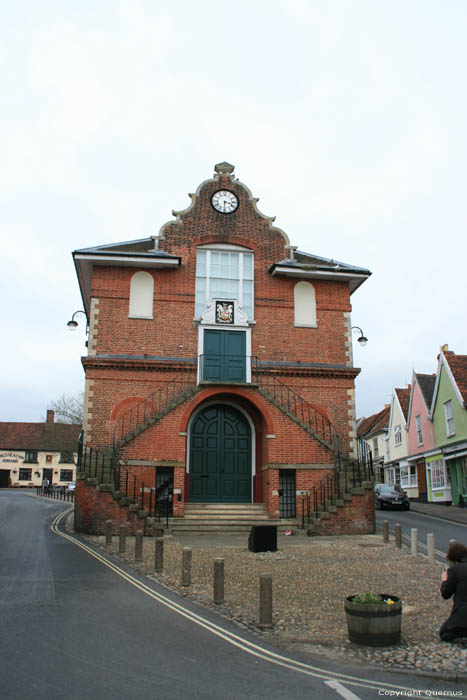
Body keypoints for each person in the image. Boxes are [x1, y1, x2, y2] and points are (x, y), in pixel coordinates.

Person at [439, 541, 467, 642]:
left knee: (444, 633)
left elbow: (446, 594)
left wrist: (445, 580)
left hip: (463, 613)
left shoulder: (454, 570)